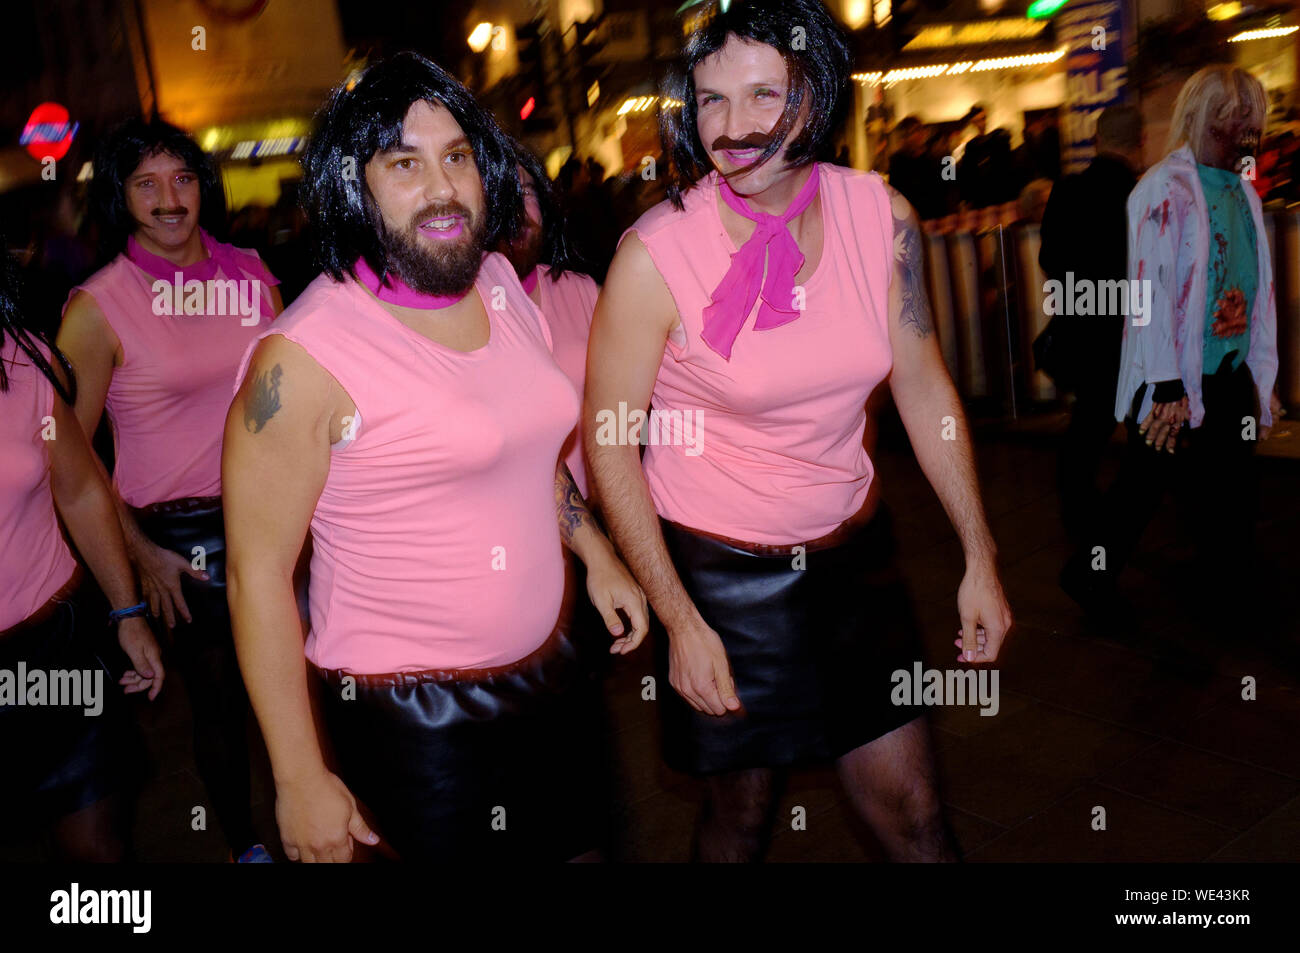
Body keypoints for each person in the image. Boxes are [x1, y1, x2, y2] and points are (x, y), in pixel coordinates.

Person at [584, 0, 1012, 863]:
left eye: (760, 96)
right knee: (739, 818)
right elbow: (608, 441)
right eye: (710, 100)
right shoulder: (654, 255)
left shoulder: (880, 216)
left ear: (815, 97)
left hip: (855, 557)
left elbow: (924, 384)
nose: (731, 127)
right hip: (721, 577)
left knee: (917, 816)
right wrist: (679, 618)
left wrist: (980, 554)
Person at [222, 51, 648, 863]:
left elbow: (524, 448)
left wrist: (595, 551)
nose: (442, 187)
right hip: (411, 719)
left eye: (455, 156)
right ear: (355, 185)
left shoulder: (496, 281)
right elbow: (256, 577)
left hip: (549, 672)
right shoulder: (303, 358)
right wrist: (298, 773)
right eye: (405, 164)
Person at [56, 118, 283, 863]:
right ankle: (247, 847)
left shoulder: (250, 269)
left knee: (299, 679)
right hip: (181, 539)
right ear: (121, 199)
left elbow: (288, 391)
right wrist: (140, 551)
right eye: (146, 183)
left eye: (182, 178)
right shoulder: (98, 305)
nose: (168, 198)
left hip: (274, 513)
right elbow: (68, 456)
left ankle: (321, 825)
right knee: (220, 702)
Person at [1061, 66, 1281, 616]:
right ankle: (1092, 574)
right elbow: (1151, 292)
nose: (1246, 136)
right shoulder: (1163, 187)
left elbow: (1253, 283)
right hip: (1179, 373)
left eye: (1252, 124)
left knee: (1223, 479)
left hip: (1226, 368)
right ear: (1203, 121)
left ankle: (1228, 578)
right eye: (1234, 123)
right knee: (1144, 484)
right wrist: (1164, 385)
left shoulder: (1240, 188)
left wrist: (1262, 373)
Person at [1, 245, 164, 862]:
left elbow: (80, 491)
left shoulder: (21, 360)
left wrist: (128, 614)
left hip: (53, 657)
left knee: (100, 858)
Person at [1038, 104, 1144, 547]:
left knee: (1087, 430)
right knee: (1147, 437)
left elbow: (1050, 261)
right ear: (1139, 145)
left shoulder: (1068, 191)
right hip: (1131, 335)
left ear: (1098, 140)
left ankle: (1081, 512)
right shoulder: (1141, 197)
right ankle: (1119, 520)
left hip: (1083, 332)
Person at [957, 105, 1016, 210]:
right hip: (982, 195)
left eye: (983, 119)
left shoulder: (997, 138)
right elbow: (968, 172)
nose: (982, 124)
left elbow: (1007, 165)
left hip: (1000, 191)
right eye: (977, 121)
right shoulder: (971, 146)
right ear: (973, 123)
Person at [888, 116, 942, 220]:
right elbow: (894, 192)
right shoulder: (897, 161)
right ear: (904, 137)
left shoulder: (934, 158)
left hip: (933, 217)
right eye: (913, 132)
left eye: (920, 130)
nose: (919, 135)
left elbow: (945, 188)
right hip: (909, 218)